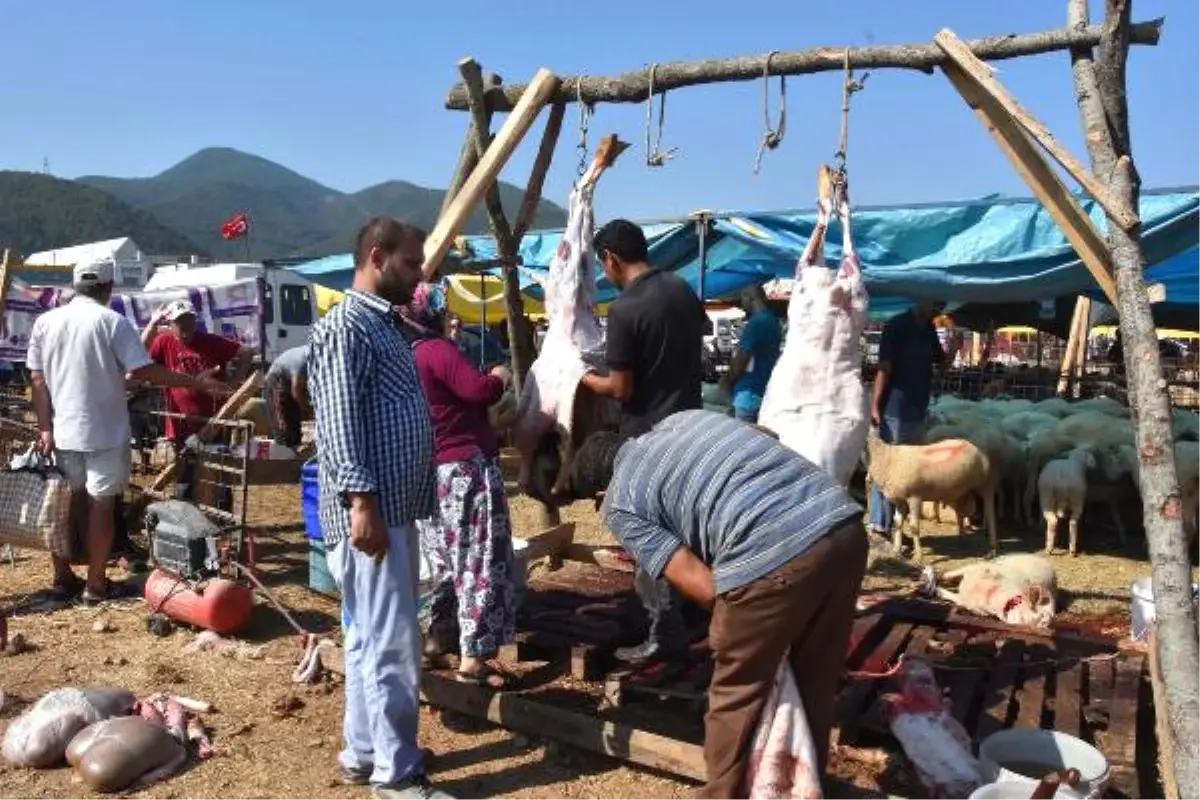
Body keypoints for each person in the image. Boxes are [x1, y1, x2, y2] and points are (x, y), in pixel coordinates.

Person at [567, 410, 867, 799]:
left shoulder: (621, 502)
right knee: (816, 676)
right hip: (842, 525)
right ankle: (804, 785)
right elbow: (766, 437)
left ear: (599, 494)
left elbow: (702, 584)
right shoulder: (686, 419)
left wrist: (742, 629)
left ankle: (722, 793)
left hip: (776, 551)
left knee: (735, 692)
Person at [307, 217, 452, 800]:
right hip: (373, 510)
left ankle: (366, 752)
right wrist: (360, 499)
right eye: (412, 264)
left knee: (368, 637)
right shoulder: (347, 327)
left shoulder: (384, 326)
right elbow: (338, 421)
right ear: (377, 256)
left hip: (388, 507)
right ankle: (397, 775)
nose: (419, 277)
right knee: (391, 642)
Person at [26, 259, 228, 604]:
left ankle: (62, 579)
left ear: (76, 286)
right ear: (108, 288)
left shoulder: (46, 322)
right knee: (101, 505)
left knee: (62, 505)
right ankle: (95, 585)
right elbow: (146, 371)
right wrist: (195, 382)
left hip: (62, 431)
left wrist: (45, 426)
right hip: (104, 430)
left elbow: (37, 379)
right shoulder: (112, 322)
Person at [579, 218, 707, 664]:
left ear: (610, 259)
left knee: (649, 536)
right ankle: (688, 613)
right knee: (685, 527)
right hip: (692, 426)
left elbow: (621, 389)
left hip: (648, 438)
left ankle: (663, 630)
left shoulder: (625, 309)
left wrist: (584, 379)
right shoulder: (681, 289)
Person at [398, 282, 519, 689]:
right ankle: (473, 658)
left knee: (448, 564)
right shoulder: (437, 351)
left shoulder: (407, 356)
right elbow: (478, 390)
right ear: (429, 314)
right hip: (466, 471)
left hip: (434, 474)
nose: (452, 317)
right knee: (479, 560)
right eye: (445, 311)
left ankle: (438, 640)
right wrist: (500, 375)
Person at [868, 299, 956, 539]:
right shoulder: (896, 326)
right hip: (894, 409)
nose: (938, 311)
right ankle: (879, 525)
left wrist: (954, 350)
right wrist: (875, 405)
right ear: (922, 299)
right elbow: (884, 368)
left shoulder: (928, 329)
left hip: (918, 409)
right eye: (936, 306)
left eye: (941, 308)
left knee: (910, 474)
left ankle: (898, 529)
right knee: (887, 468)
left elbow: (941, 368)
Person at [142, 299, 254, 448]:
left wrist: (233, 383)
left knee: (212, 465)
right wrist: (152, 325)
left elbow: (246, 353)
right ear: (170, 324)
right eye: (180, 323)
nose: (186, 328)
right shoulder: (164, 342)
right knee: (181, 465)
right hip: (179, 422)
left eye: (190, 322)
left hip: (213, 422)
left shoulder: (210, 341)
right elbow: (141, 358)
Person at [719, 284, 782, 423]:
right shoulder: (774, 322)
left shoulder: (755, 323)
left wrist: (725, 382)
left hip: (747, 395)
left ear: (750, 298)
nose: (742, 303)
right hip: (765, 393)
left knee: (742, 442)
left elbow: (741, 361)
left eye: (742, 298)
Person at [262, 344, 311, 449]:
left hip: (290, 380)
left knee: (295, 425)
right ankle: (284, 456)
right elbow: (296, 392)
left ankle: (293, 450)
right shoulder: (303, 362)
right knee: (284, 429)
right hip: (277, 380)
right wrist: (309, 410)